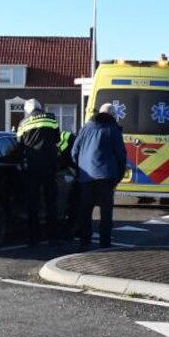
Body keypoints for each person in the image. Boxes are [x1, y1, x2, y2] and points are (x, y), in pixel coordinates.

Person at [71, 102, 128, 250]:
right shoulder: (112, 129)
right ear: (112, 115)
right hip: (106, 176)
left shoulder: (86, 127)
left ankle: (85, 241)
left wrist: (80, 170)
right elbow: (121, 155)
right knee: (106, 211)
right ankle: (105, 242)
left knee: (85, 210)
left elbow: (74, 151)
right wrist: (118, 176)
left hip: (86, 176)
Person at [17, 99, 61, 246]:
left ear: (28, 110)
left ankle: (33, 238)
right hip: (50, 166)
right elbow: (58, 139)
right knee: (51, 202)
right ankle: (53, 236)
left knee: (33, 203)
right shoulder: (51, 118)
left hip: (32, 167)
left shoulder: (23, 124)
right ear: (40, 108)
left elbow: (19, 146)